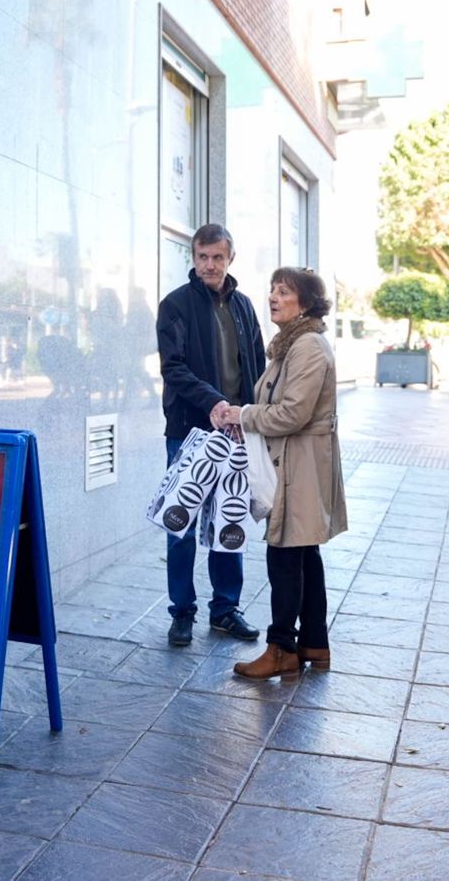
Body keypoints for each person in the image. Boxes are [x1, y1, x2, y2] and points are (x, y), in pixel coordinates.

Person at [220, 268, 346, 678]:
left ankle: (281, 649)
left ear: (305, 303)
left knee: (286, 555)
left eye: (284, 291)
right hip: (295, 462)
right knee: (304, 553)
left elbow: (292, 413)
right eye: (272, 289)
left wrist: (244, 414)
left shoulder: (307, 347)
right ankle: (313, 643)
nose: (273, 296)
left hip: (302, 465)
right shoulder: (291, 345)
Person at [156, 224, 266, 646]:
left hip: (236, 433)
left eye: (217, 257)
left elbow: (255, 364)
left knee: (230, 520)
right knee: (179, 524)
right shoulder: (175, 306)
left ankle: (225, 609)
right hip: (190, 431)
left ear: (230, 259)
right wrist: (214, 403)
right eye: (202, 256)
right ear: (193, 257)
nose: (209, 264)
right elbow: (174, 367)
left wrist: (251, 416)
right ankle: (182, 611)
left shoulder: (243, 307)